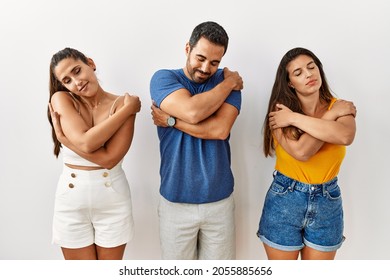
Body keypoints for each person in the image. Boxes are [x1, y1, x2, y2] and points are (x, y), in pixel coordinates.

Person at [149, 21, 243, 260]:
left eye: (214, 62)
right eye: (200, 58)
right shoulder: (163, 79)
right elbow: (192, 111)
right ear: (187, 48)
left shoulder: (227, 81)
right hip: (175, 202)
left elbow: (220, 129)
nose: (205, 67)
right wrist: (229, 84)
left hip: (219, 201)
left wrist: (172, 121)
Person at [257, 47, 357, 260]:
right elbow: (302, 152)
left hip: (327, 202)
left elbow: (346, 136)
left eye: (311, 68)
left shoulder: (340, 107)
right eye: (298, 72)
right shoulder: (280, 114)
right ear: (290, 82)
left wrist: (296, 118)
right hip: (285, 199)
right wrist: (330, 117)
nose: (309, 74)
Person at [47, 47, 141, 260]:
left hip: (113, 200)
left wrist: (67, 140)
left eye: (77, 71)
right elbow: (87, 143)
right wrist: (128, 110)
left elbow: (110, 159)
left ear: (91, 63)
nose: (75, 82)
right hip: (71, 201)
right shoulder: (62, 99)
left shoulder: (119, 102)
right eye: (67, 80)